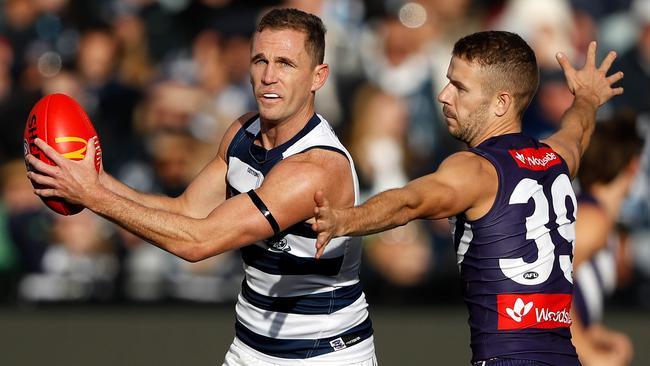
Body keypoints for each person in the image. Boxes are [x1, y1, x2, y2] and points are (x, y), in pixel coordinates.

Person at [25, 8, 377, 366]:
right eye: (260, 60)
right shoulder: (243, 132)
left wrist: (93, 196)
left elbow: (198, 241)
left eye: (286, 64)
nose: (269, 76)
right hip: (250, 349)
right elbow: (188, 210)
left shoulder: (315, 168)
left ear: (318, 77)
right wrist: (96, 180)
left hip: (323, 355)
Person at [312, 31, 623, 365]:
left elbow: (409, 202)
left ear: (501, 103)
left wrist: (344, 219)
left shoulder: (477, 170)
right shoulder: (557, 158)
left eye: (459, 87)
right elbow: (578, 130)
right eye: (448, 82)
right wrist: (588, 97)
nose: (444, 96)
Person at [571, 116, 642, 366]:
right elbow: (546, 289)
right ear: (633, 165)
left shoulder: (597, 219)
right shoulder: (592, 219)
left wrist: (594, 335)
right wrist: (589, 354)